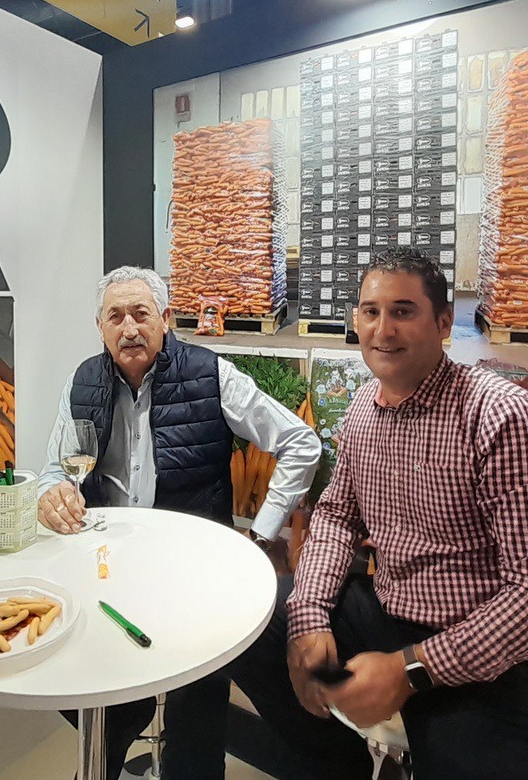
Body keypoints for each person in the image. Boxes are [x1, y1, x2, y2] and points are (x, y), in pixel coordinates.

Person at [232, 247, 528, 779]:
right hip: (395, 614)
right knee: (256, 623)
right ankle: (341, 764)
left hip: (501, 659)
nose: (383, 330)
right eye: (371, 312)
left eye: (403, 311)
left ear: (443, 323)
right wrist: (309, 618)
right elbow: (337, 518)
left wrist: (411, 669)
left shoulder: (501, 419)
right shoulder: (363, 412)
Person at [37, 265, 321, 780]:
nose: (129, 328)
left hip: (193, 573)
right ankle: (108, 750)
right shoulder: (82, 382)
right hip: (109, 571)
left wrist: (262, 532)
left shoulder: (210, 375)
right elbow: (56, 469)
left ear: (165, 319)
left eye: (141, 314)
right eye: (115, 317)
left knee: (198, 712)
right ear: (99, 327)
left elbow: (301, 442)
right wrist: (50, 494)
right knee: (98, 696)